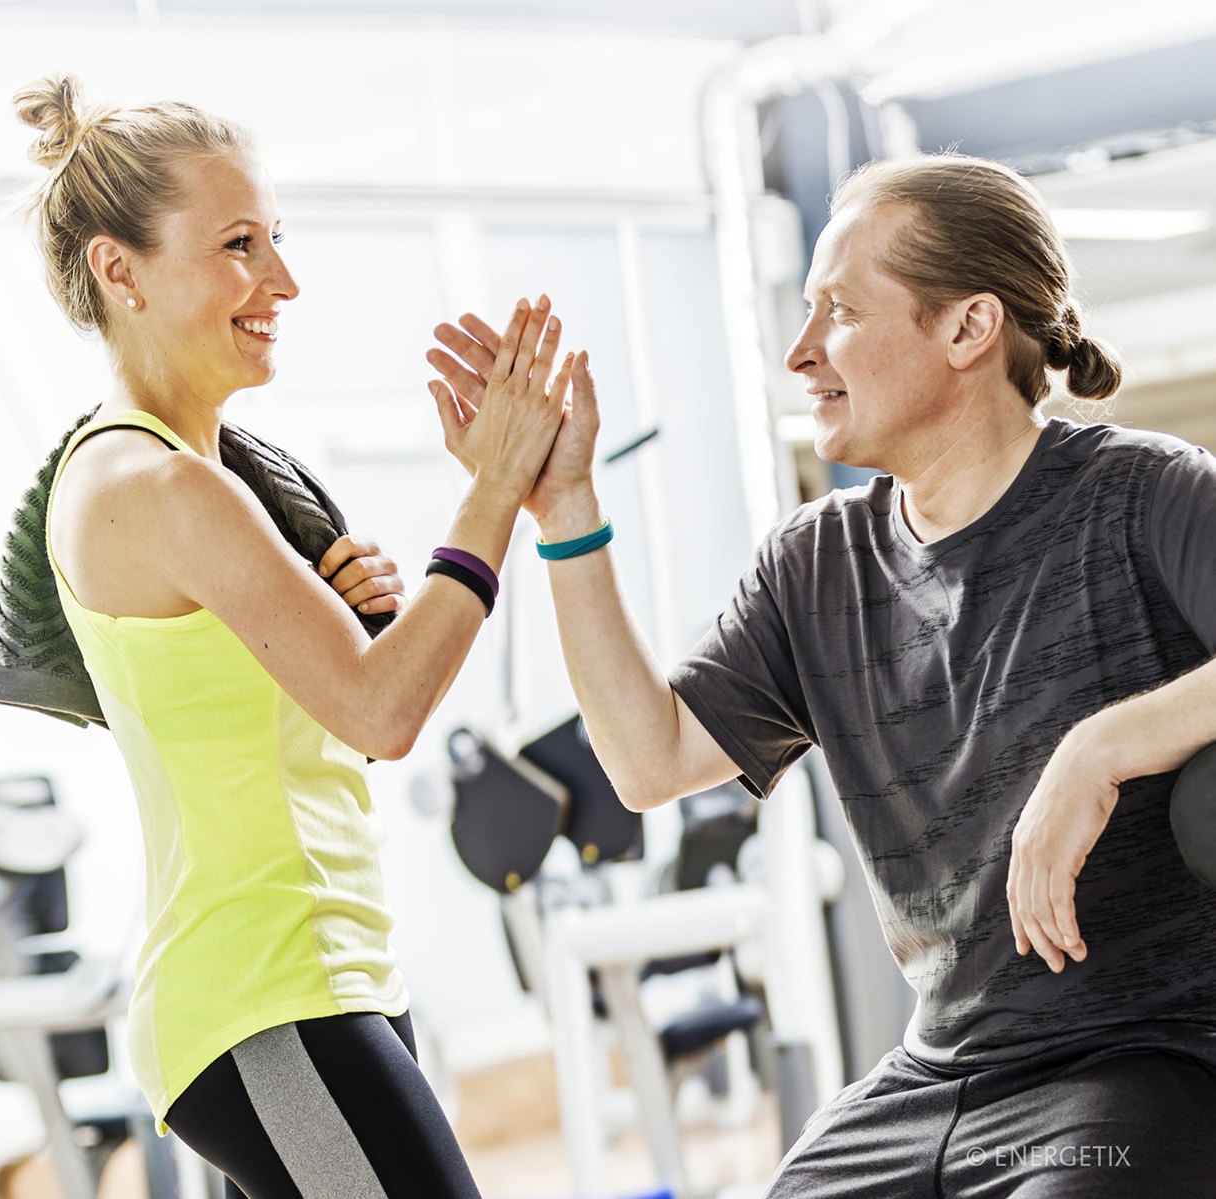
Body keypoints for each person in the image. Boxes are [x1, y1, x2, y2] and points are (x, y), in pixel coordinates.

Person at [428, 152, 1216, 1197]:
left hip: (1131, 1065)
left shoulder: (1139, 494)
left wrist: (1100, 747)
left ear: (965, 328)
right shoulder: (814, 563)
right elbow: (646, 759)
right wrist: (564, 507)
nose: (799, 352)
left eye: (837, 311)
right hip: (928, 1081)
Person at [16, 73, 570, 1199]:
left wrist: (356, 611)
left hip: (314, 979)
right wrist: (496, 491)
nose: (282, 280)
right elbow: (384, 708)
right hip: (266, 998)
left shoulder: (205, 478)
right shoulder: (159, 482)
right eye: (236, 245)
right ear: (117, 269)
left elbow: (342, 719)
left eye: (276, 238)